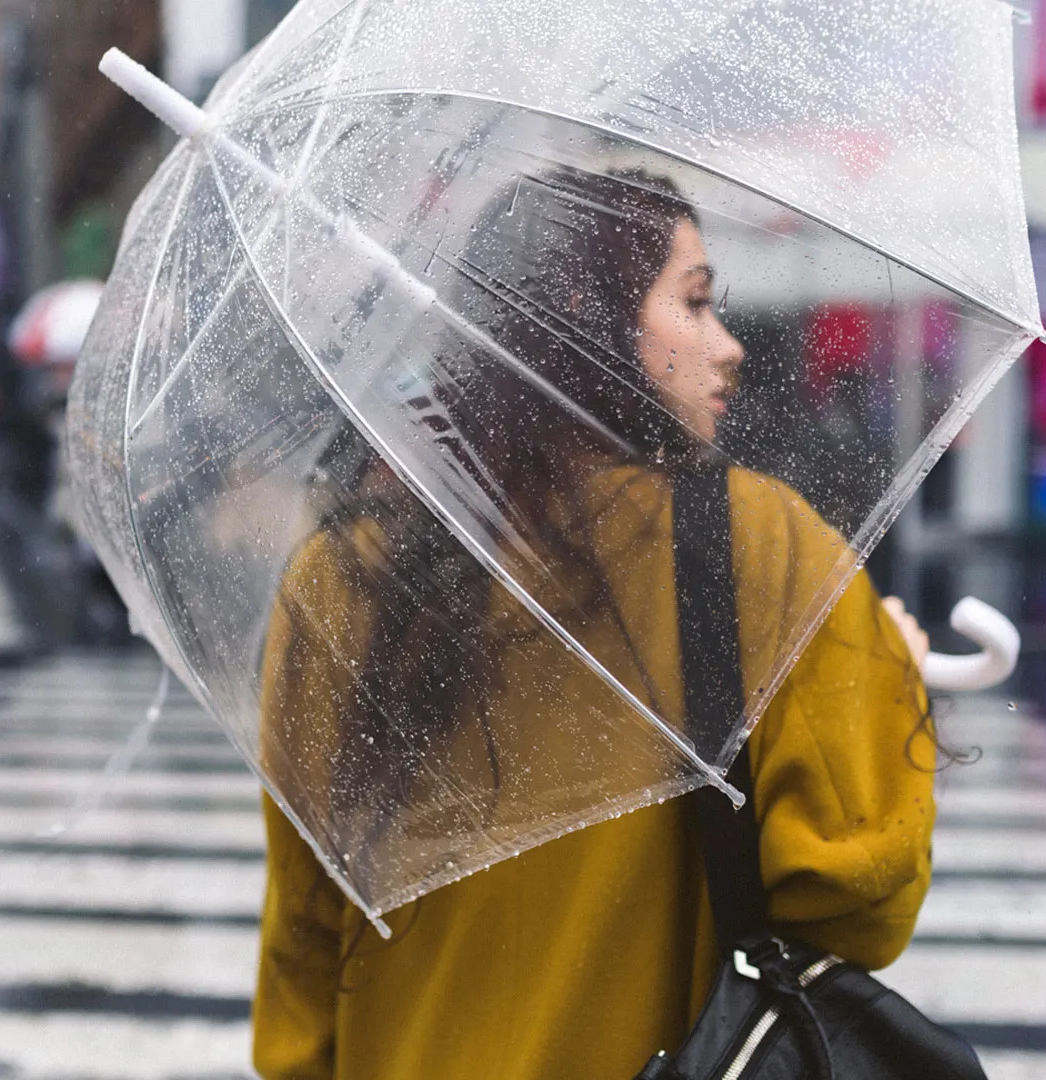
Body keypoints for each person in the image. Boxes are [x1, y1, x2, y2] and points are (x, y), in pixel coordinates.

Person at [253, 168, 935, 1078]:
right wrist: (892, 681)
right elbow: (854, 898)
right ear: (591, 319)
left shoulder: (339, 578)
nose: (727, 347)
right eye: (693, 305)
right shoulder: (764, 549)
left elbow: (307, 925)